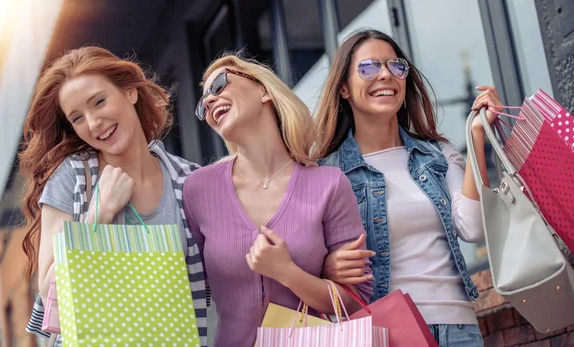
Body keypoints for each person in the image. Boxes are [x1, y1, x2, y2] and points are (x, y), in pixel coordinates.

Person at [313, 29, 503, 347]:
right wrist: (325, 267)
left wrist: (476, 135)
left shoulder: (437, 154)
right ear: (344, 87)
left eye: (395, 66)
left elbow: (472, 228)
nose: (386, 75)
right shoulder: (328, 173)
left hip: (458, 328)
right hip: (384, 333)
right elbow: (306, 254)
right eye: (369, 67)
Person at [20, 46, 208, 347]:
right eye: (77, 118)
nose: (94, 123)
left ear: (130, 91)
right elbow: (49, 289)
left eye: (99, 101)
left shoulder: (188, 180)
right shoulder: (73, 178)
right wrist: (98, 216)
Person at [183, 54, 373, 346]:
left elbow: (355, 299)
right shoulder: (198, 189)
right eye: (203, 102)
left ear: (264, 90)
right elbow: (188, 284)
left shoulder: (328, 184)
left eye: (219, 85)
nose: (209, 102)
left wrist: (287, 272)